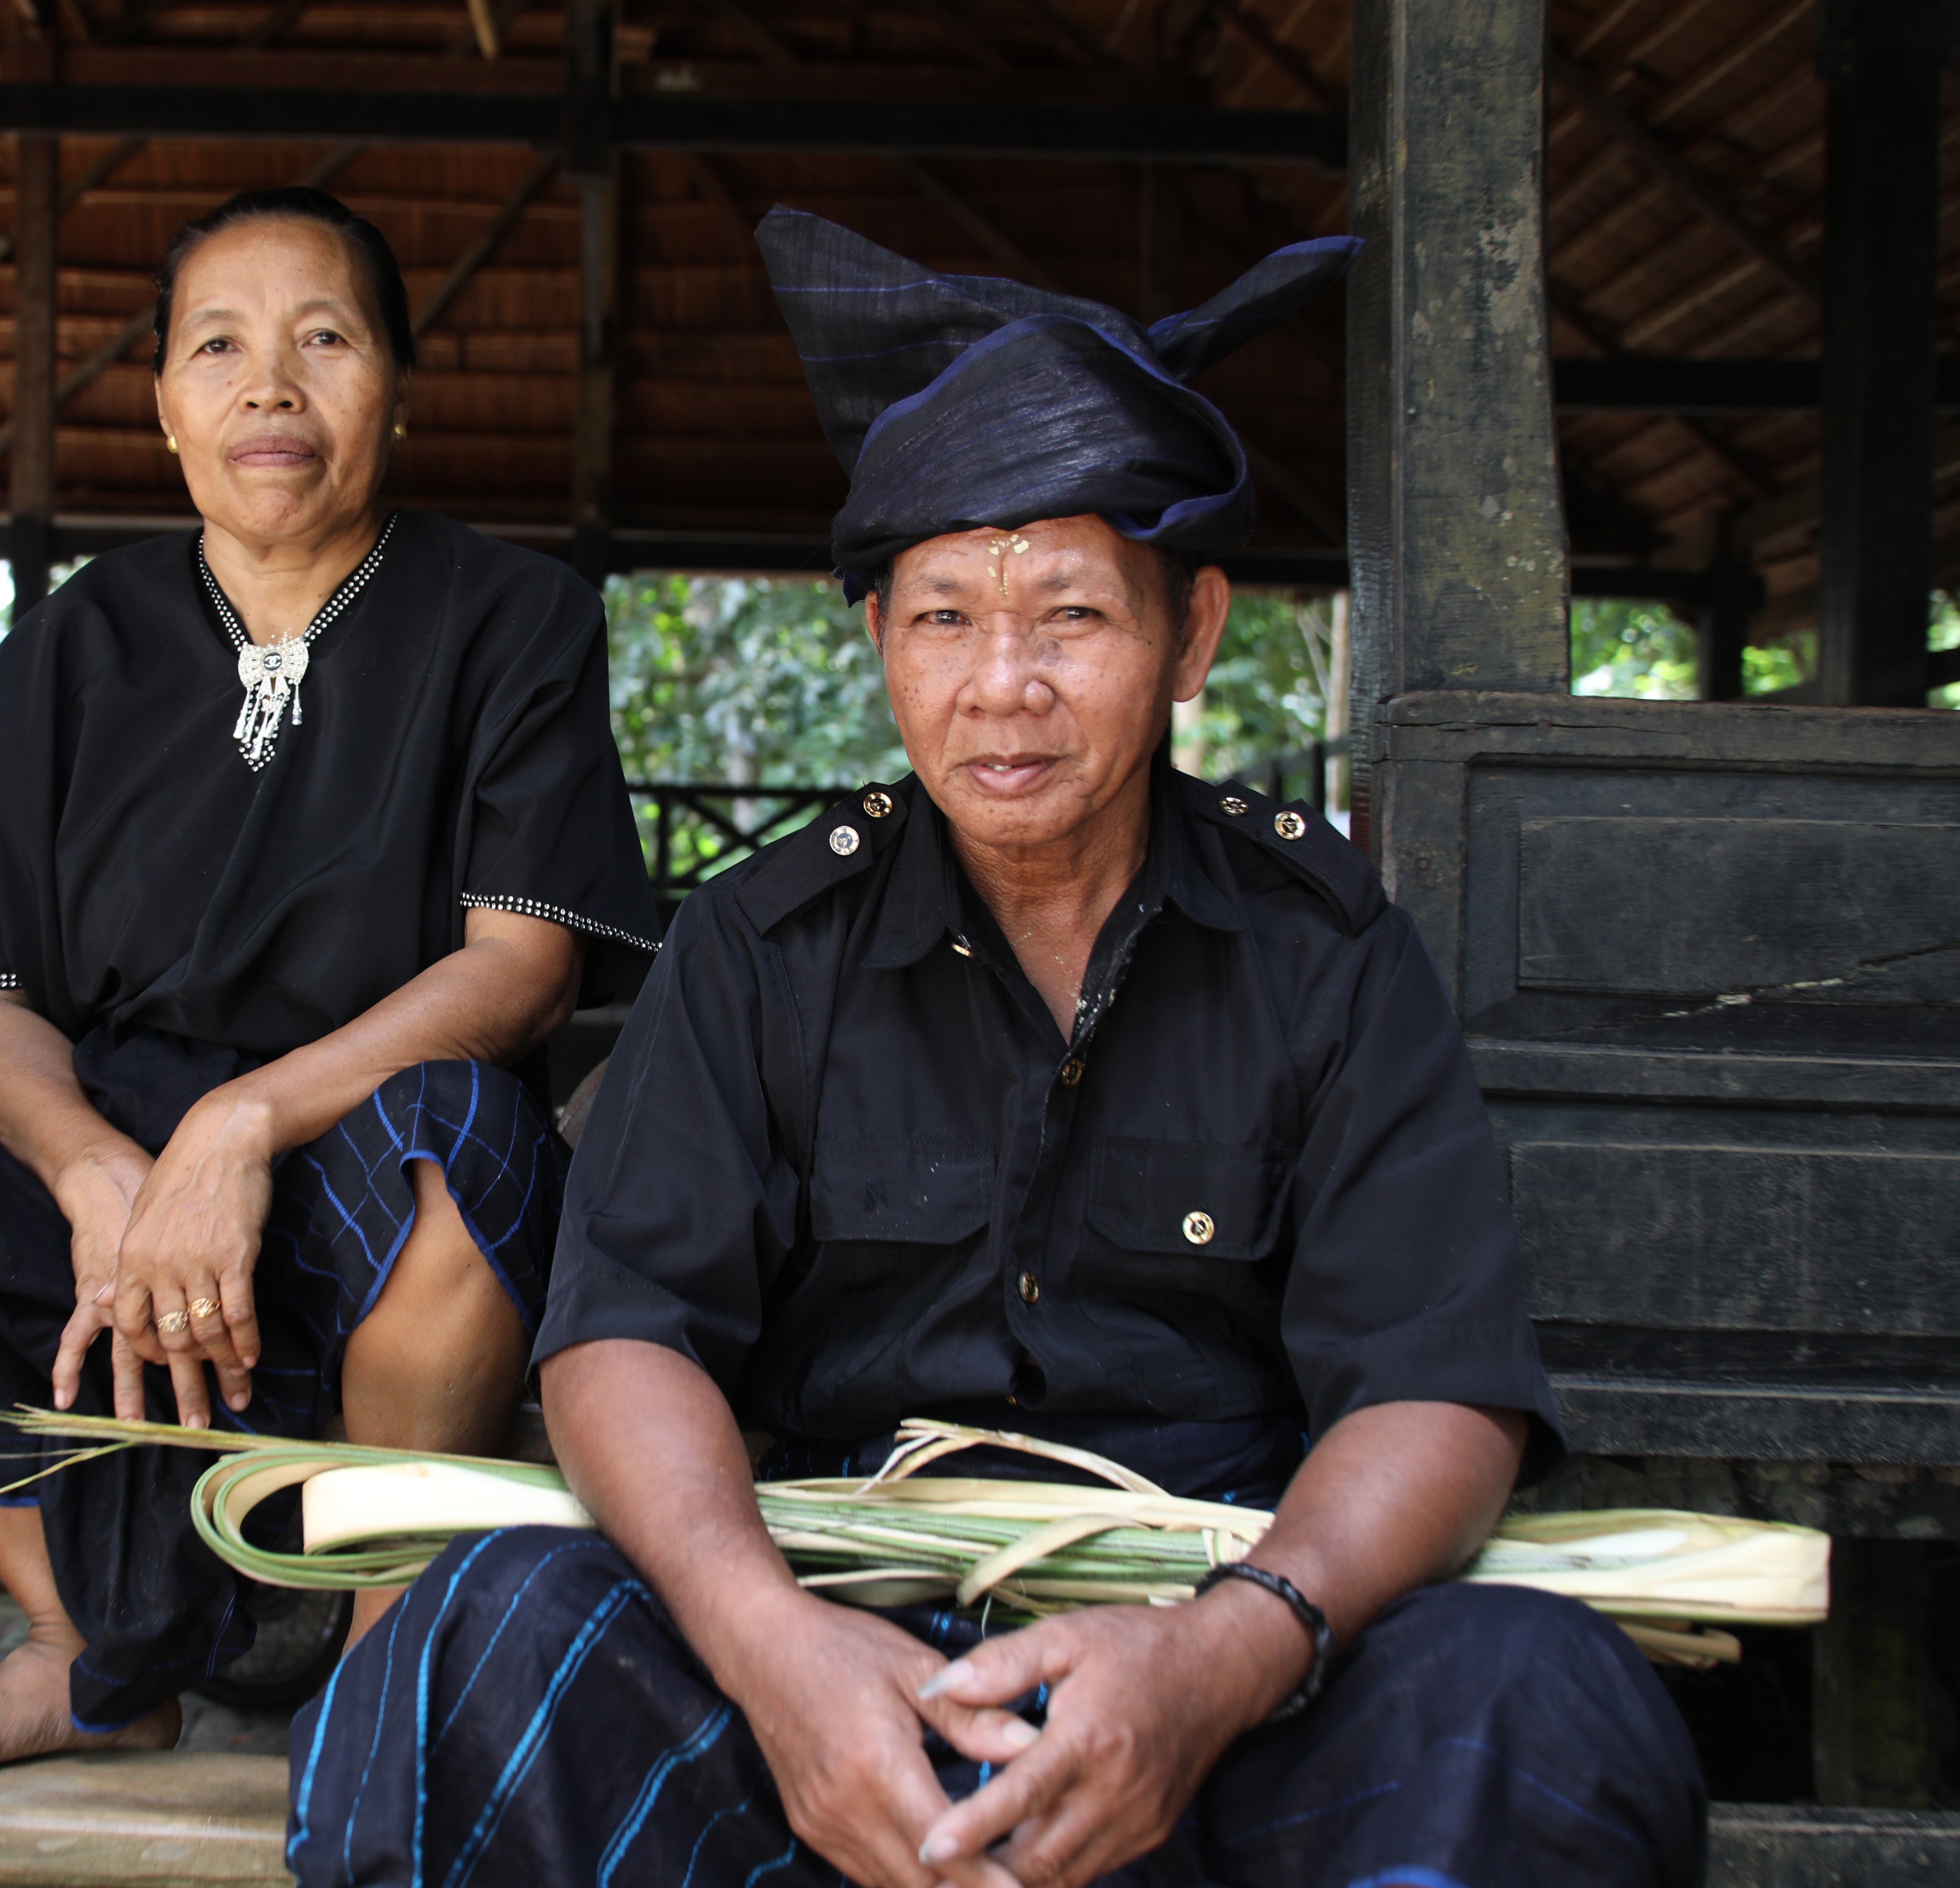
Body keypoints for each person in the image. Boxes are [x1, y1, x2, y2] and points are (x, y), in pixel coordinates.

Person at [286, 211, 1705, 1887]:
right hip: (834, 1675)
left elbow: (1437, 1378)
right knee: (478, 1638)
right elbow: (624, 1339)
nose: (1004, 686)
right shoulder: (760, 951)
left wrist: (1224, 1659)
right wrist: (773, 1653)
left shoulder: (1323, 957)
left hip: (1211, 1681)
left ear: (1191, 639)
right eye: (947, 617)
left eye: (1075, 620)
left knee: (1547, 1708)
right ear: (880, 642)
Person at [0, 187, 658, 1781]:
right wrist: (95, 1171)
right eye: (217, 345)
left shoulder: (511, 620)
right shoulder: (68, 648)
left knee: (479, 1132)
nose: (269, 385)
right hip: (115, 1194)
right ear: (166, 408)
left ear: (396, 389)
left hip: (367, 1166)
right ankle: (81, 1655)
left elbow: (521, 967)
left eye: (325, 339)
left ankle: (381, 1661)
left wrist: (242, 1127)